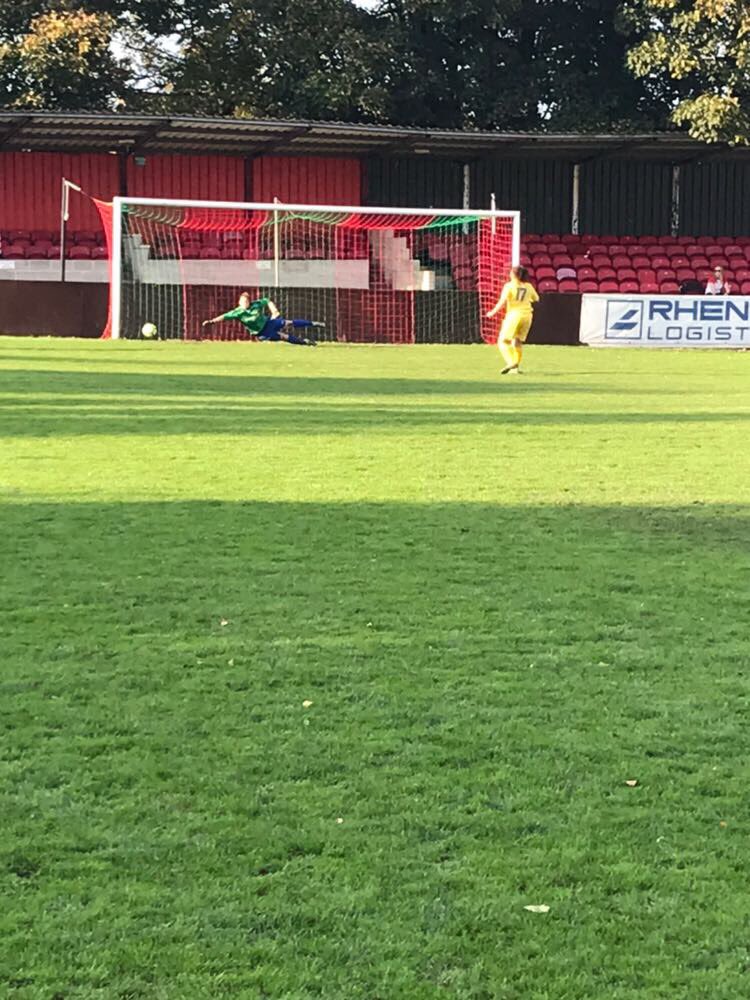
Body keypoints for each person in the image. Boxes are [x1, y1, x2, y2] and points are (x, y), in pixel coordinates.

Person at [202, 293, 324, 344]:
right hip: (261, 333)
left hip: (268, 323)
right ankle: (306, 342)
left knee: (288, 322)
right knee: (284, 337)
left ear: (249, 301)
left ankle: (313, 323)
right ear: (239, 302)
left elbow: (267, 301)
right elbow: (224, 317)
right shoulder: (237, 312)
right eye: (243, 301)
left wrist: (274, 310)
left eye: (246, 301)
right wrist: (212, 321)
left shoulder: (256, 304)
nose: (245, 303)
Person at [486, 265, 540, 374]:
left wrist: (492, 312)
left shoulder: (509, 286)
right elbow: (536, 298)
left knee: (502, 341)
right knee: (517, 341)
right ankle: (515, 368)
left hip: (514, 316)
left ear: (514, 274)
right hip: (527, 316)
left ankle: (511, 362)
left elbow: (502, 301)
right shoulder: (528, 286)